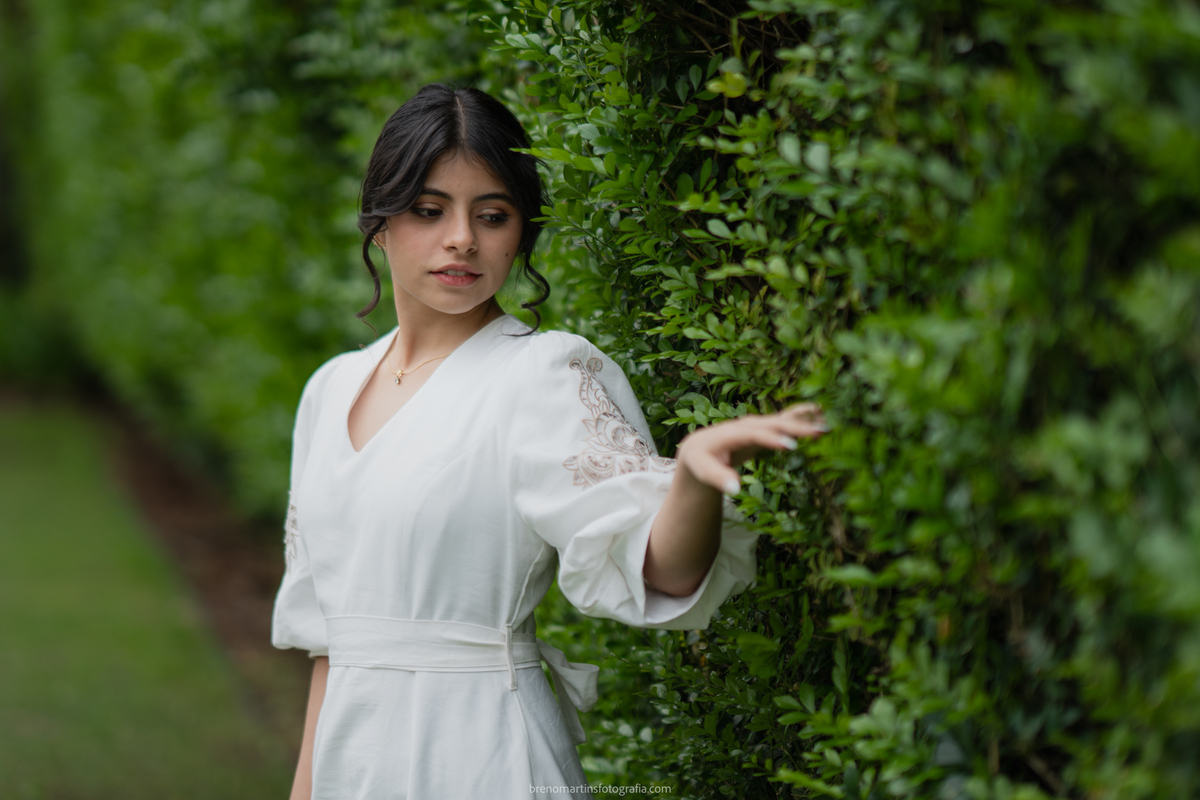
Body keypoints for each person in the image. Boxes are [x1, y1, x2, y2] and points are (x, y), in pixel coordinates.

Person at [271, 84, 827, 800]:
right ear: (379, 223)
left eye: (492, 215)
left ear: (522, 232)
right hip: (351, 761)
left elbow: (663, 570)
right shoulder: (331, 388)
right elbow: (333, 646)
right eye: (429, 210)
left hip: (481, 751)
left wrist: (689, 476)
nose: (462, 238)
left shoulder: (543, 373)